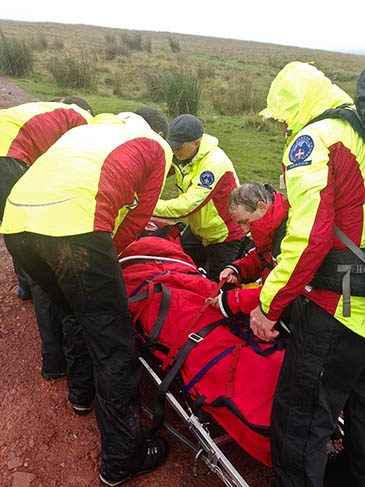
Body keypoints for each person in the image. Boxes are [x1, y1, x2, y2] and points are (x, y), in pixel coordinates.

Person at [0, 108, 172, 487]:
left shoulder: (88, 132)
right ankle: (121, 459)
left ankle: (80, 395)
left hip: (16, 224)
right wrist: (109, 256)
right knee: (113, 344)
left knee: (73, 311)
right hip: (75, 229)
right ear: (158, 130)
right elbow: (138, 218)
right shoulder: (157, 147)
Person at [249, 62, 365, 486]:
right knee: (358, 411)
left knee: (301, 416)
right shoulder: (357, 131)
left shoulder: (316, 139)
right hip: (359, 288)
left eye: (282, 118)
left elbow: (310, 235)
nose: (282, 128)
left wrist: (268, 305)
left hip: (344, 296)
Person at [0, 98, 94, 379]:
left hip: (8, 155)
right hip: (7, 158)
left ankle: (25, 285)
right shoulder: (86, 122)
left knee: (14, 227)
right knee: (43, 257)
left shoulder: (44, 112)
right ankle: (54, 361)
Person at [152, 114, 244, 280]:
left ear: (196, 143)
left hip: (223, 236)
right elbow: (159, 170)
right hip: (199, 230)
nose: (174, 151)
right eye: (171, 146)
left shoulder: (214, 164)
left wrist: (146, 206)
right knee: (179, 266)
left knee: (217, 286)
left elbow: (187, 206)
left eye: (178, 147)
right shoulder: (183, 154)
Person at [212, 183, 289, 318]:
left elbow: (284, 289)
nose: (245, 230)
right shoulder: (273, 227)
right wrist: (237, 269)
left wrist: (234, 300)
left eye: (245, 222)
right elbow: (262, 256)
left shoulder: (289, 233)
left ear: (261, 207)